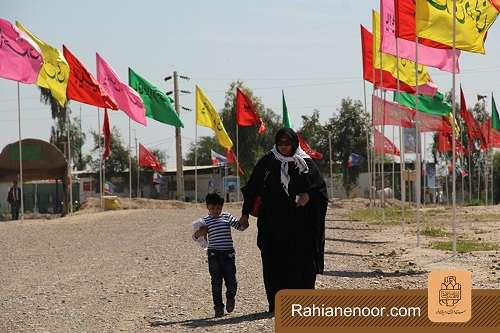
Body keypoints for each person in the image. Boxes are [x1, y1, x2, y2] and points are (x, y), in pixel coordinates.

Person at [240, 128, 328, 313]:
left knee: (302, 264)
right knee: (274, 264)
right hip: (272, 225)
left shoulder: (305, 163)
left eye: (287, 143)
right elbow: (252, 188)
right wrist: (245, 214)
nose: (284, 147)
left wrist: (309, 196)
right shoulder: (268, 162)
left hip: (301, 227)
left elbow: (320, 190)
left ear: (294, 143)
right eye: (280, 143)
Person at [193, 192, 249, 318]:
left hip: (228, 255)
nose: (215, 211)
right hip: (213, 255)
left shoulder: (227, 217)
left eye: (218, 208)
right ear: (207, 207)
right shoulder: (204, 221)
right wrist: (199, 233)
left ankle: (230, 297)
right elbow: (195, 236)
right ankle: (218, 307)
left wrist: (244, 223)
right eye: (212, 208)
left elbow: (240, 227)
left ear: (222, 207)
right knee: (216, 282)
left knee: (232, 281)